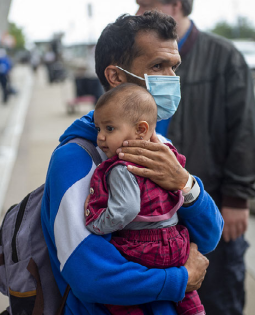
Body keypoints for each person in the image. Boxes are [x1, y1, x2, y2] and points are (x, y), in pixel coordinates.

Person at [41, 11, 223, 315]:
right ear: (116, 76)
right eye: (157, 66)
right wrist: (180, 279)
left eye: (174, 67)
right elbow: (90, 275)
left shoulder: (161, 146)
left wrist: (185, 184)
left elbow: (209, 236)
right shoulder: (74, 159)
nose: (171, 79)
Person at [135, 1, 255, 315]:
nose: (139, 13)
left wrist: (237, 199)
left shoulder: (223, 57)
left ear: (175, 5)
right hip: (155, 215)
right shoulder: (137, 55)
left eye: (148, 5)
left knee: (219, 296)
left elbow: (245, 131)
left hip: (211, 205)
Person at [85, 83, 205, 315]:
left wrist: (98, 225)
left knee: (116, 291)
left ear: (141, 129)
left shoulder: (120, 167)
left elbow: (126, 210)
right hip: (177, 241)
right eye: (98, 128)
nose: (100, 138)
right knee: (187, 294)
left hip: (142, 244)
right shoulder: (166, 155)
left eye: (109, 129)